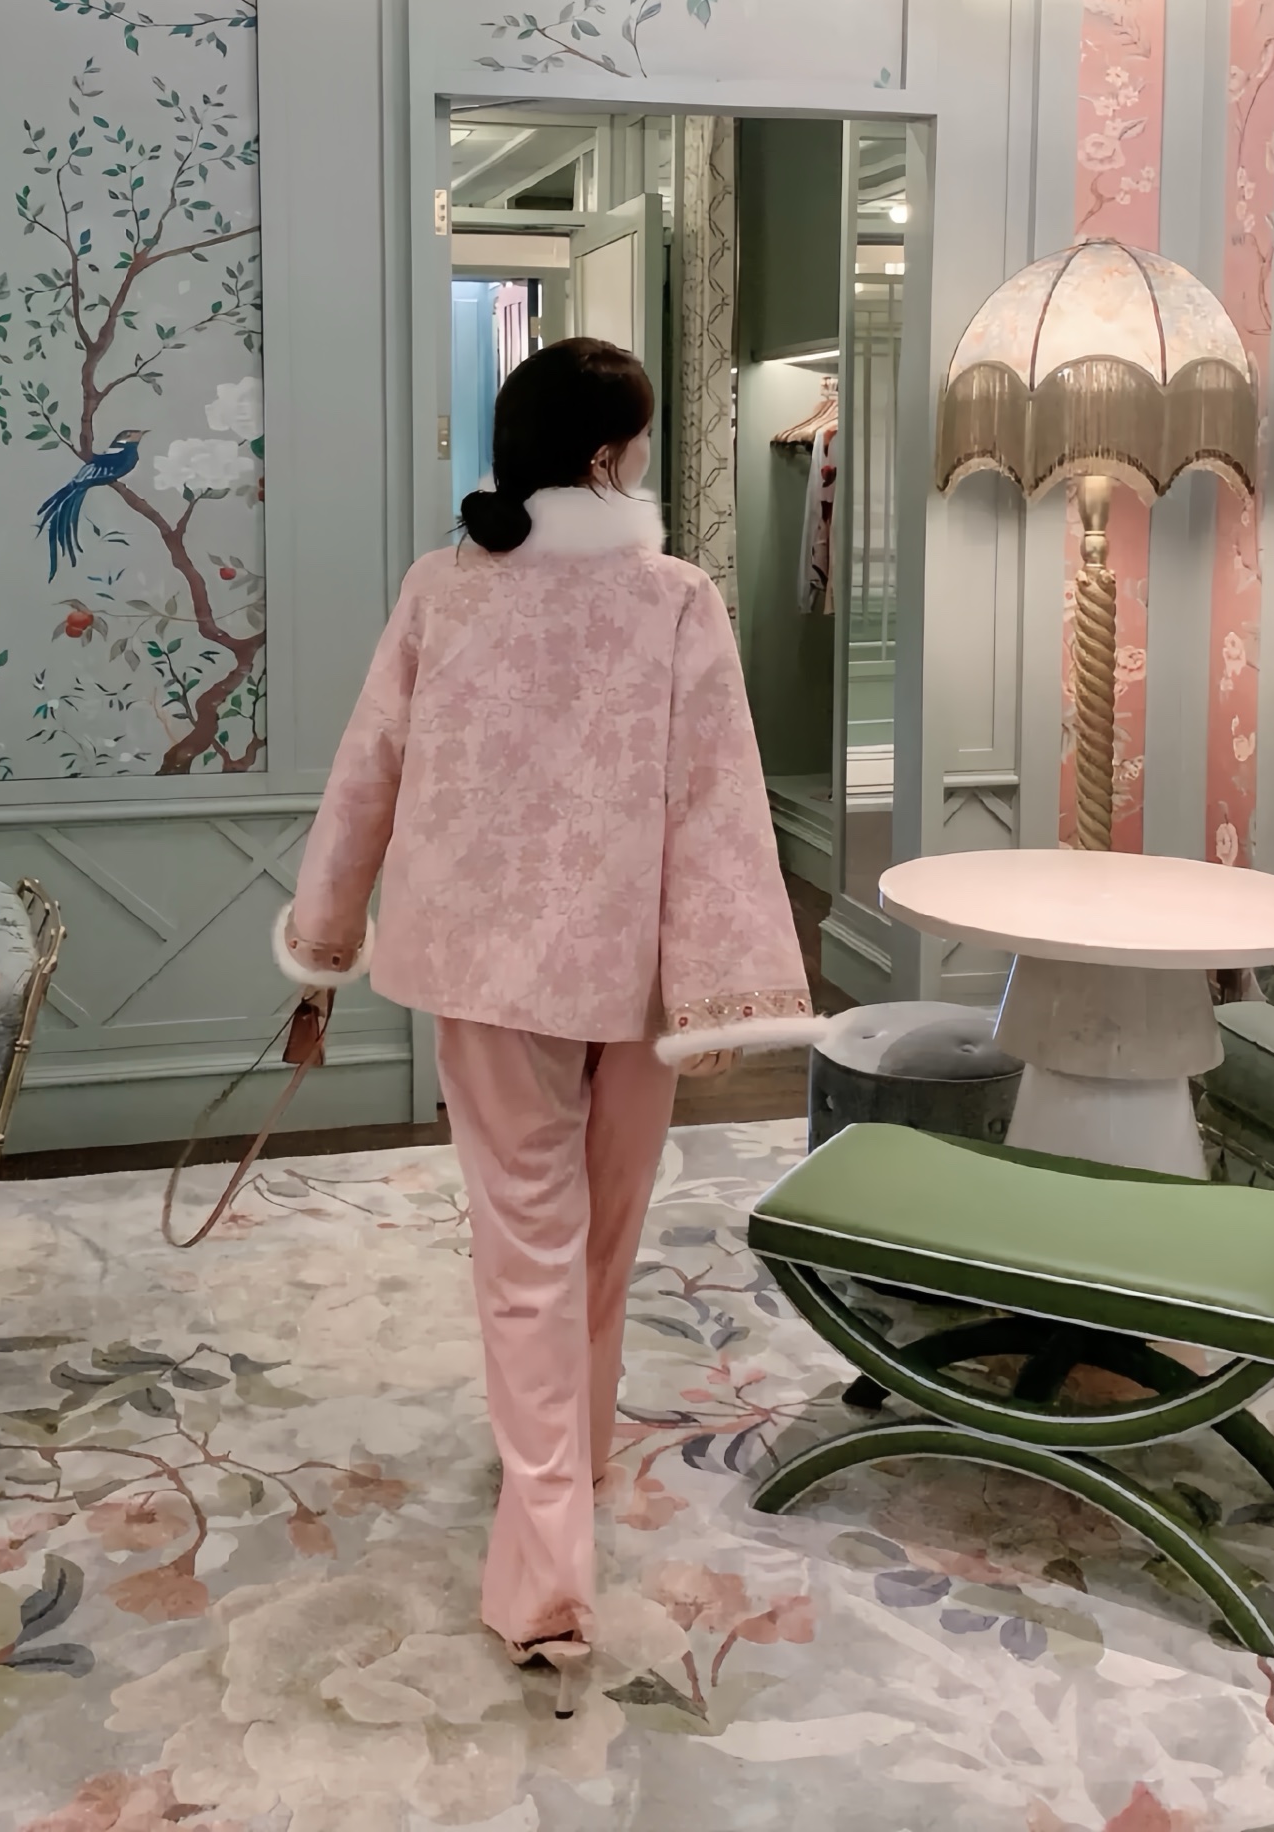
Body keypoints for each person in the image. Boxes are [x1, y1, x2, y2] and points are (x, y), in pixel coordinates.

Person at [274, 336, 809, 1711]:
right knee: (605, 1239)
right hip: (632, 973)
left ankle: (550, 1516)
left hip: (490, 969)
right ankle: (554, 1519)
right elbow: (720, 803)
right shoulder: (674, 597)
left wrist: (323, 940)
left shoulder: (444, 587)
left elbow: (365, 773)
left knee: (529, 1253)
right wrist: (724, 982)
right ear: (606, 455)